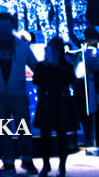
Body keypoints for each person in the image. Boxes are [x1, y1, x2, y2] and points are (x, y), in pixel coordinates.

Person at [0, 11, 40, 175]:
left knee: (24, 129)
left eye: (8, 24)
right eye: (2, 24)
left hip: (18, 94)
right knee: (4, 131)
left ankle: (27, 160)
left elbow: (34, 65)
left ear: (12, 26)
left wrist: (45, 78)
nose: (5, 27)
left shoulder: (22, 46)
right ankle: (8, 163)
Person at [33, 36, 80, 177]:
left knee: (62, 137)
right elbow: (36, 80)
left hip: (61, 103)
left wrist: (56, 66)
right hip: (49, 103)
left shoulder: (66, 65)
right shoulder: (43, 65)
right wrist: (46, 66)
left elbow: (71, 79)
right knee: (45, 138)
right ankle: (46, 165)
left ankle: (62, 166)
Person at [79, 27, 99, 149]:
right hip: (95, 86)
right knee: (93, 113)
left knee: (89, 113)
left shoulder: (89, 52)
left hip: (89, 86)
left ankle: (91, 138)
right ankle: (95, 138)